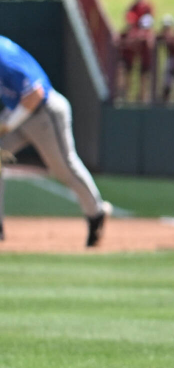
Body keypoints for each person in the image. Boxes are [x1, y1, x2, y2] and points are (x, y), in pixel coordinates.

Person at [0, 35, 110, 246]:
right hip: (19, 114)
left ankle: (96, 212)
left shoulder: (5, 56)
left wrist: (6, 125)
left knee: (63, 169)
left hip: (45, 113)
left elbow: (35, 94)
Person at [119, 0, 156, 101]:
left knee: (144, 73)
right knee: (127, 70)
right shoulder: (133, 6)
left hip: (143, 44)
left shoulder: (148, 6)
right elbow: (129, 21)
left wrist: (143, 34)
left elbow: (149, 24)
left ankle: (142, 97)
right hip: (133, 43)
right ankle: (126, 96)